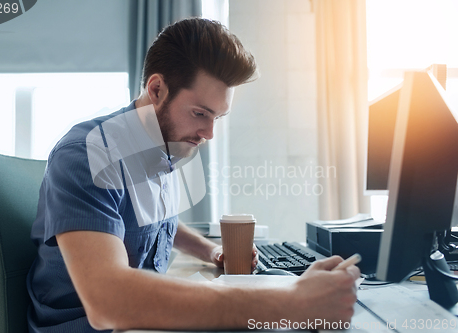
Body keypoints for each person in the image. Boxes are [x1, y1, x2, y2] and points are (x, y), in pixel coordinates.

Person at [27, 17, 360, 332]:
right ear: (156, 89)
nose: (209, 133)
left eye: (218, 117)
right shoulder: (89, 155)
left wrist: (212, 252)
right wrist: (287, 302)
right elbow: (107, 302)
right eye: (200, 113)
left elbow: (153, 222)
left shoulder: (159, 147)